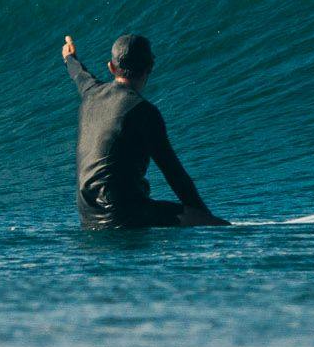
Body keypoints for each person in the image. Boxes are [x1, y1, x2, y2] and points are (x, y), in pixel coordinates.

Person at [61, 32, 226, 228]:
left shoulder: (91, 93)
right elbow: (173, 173)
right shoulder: (143, 110)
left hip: (89, 217)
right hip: (124, 215)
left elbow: (80, 75)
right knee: (220, 227)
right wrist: (204, 216)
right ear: (150, 68)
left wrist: (69, 57)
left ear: (111, 67)